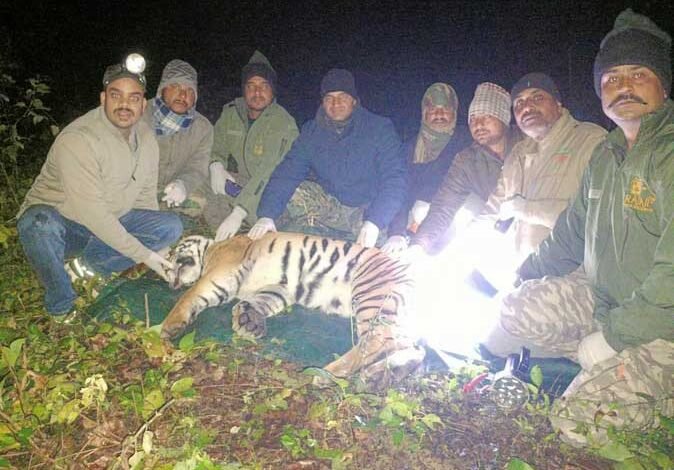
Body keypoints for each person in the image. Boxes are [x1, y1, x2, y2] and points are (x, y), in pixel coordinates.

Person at [483, 9, 674, 446]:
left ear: (663, 84)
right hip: (604, 301)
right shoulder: (606, 155)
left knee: (574, 423)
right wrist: (522, 276)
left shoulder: (667, 156)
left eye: (638, 74)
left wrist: (613, 338)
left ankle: (650, 386)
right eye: (611, 78)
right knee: (509, 311)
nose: (623, 86)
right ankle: (602, 366)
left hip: (664, 325)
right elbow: (569, 234)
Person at [16, 55, 183, 319]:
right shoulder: (79, 139)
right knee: (36, 224)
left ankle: (86, 267)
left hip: (112, 220)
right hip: (67, 226)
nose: (124, 105)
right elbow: (92, 214)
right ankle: (61, 304)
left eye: (134, 98)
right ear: (103, 98)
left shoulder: (147, 139)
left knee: (170, 226)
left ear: (143, 104)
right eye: (116, 96)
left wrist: (157, 247)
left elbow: (145, 200)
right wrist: (146, 256)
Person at [249, 68, 405, 247]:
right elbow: (287, 172)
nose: (335, 103)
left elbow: (395, 179)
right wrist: (266, 215)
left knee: (379, 251)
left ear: (354, 100)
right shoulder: (311, 132)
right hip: (332, 207)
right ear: (323, 102)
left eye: (342, 97)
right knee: (296, 193)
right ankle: (291, 230)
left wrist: (375, 221)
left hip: (366, 210)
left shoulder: (380, 129)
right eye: (329, 98)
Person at [483, 72, 606, 260]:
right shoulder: (517, 154)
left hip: (572, 269)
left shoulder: (591, 140)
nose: (527, 107)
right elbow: (493, 209)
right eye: (519, 103)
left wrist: (526, 209)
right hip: (520, 268)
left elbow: (597, 218)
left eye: (537, 98)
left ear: (558, 103)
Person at [402, 82, 520, 255]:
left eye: (487, 116)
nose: (478, 124)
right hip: (492, 229)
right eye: (473, 119)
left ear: (503, 118)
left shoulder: (529, 145)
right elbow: (444, 206)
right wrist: (418, 245)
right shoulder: (467, 159)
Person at [204, 51, 299, 241]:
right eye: (251, 86)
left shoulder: (284, 123)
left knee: (269, 213)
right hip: (244, 184)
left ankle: (256, 230)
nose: (257, 92)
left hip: (272, 187)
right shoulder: (231, 113)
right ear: (243, 89)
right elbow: (216, 146)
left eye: (264, 86)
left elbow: (268, 172)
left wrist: (239, 211)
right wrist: (216, 165)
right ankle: (226, 234)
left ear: (272, 91)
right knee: (206, 180)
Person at [381, 82, 470, 254]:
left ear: (454, 112)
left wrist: (428, 203)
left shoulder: (467, 141)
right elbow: (399, 189)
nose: (439, 114)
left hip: (455, 222)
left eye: (445, 109)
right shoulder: (409, 148)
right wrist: (396, 232)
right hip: (412, 226)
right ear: (424, 113)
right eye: (433, 109)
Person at [143, 59, 213, 215]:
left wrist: (183, 184)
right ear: (162, 89)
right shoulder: (139, 114)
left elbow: (197, 168)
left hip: (171, 192)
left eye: (190, 90)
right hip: (136, 190)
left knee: (199, 203)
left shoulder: (203, 128)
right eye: (175, 86)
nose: (183, 94)